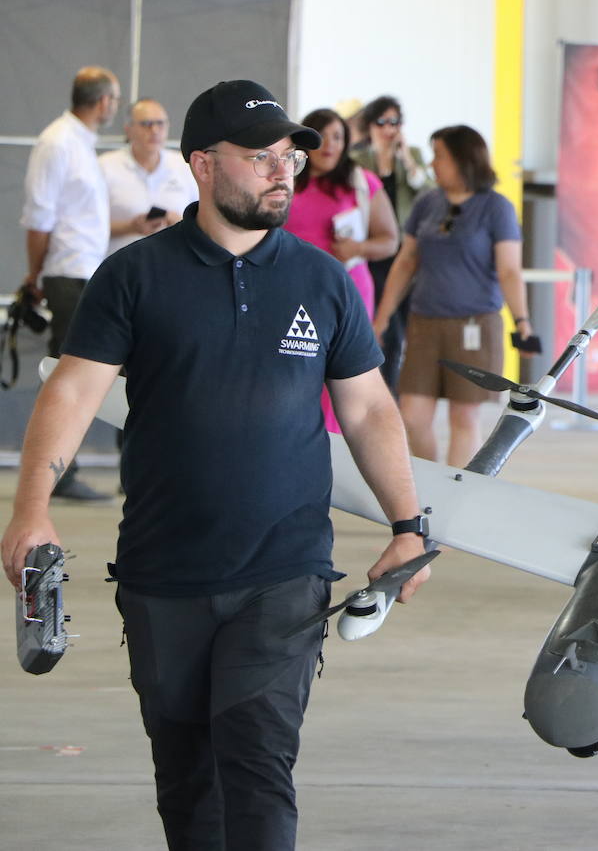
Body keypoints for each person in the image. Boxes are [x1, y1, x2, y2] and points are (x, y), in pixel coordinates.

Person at [1, 79, 430, 851]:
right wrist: (30, 508)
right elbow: (69, 393)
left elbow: (367, 409)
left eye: (289, 158)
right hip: (163, 571)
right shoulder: (134, 277)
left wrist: (408, 523)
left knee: (258, 764)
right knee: (188, 780)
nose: (283, 172)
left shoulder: (322, 280)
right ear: (202, 165)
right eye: (260, 157)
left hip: (284, 570)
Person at [372, 125, 534, 467]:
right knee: (413, 416)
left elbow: (509, 271)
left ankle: (457, 492)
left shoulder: (496, 208)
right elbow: (405, 262)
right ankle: (430, 491)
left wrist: (522, 321)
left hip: (474, 324)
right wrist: (382, 318)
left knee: (464, 417)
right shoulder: (427, 203)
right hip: (424, 323)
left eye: (439, 156)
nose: (432, 164)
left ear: (463, 159)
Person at [19, 65, 122, 501]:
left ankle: (62, 470)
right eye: (114, 100)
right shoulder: (58, 142)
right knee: (66, 375)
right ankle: (58, 472)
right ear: (103, 102)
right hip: (66, 273)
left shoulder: (81, 143)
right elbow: (39, 217)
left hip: (84, 271)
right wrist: (35, 273)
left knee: (75, 371)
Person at [284, 107, 399, 432]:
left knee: (345, 376)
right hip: (292, 290)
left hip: (348, 289)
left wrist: (358, 249)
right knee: (295, 369)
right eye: (322, 138)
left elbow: (390, 241)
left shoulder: (362, 183)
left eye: (338, 137)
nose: (331, 145)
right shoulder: (286, 179)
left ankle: (340, 454)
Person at [351, 95, 433, 393]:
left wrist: (406, 160)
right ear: (370, 125)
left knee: (404, 326)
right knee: (382, 328)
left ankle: (397, 392)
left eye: (395, 122)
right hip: (373, 252)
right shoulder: (359, 160)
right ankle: (380, 391)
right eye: (382, 122)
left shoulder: (412, 155)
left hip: (405, 252)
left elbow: (426, 192)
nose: (389, 129)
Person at [100, 98, 198, 255]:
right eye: (146, 124)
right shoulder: (105, 166)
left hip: (173, 264)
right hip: (120, 263)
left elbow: (202, 222)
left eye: (160, 123)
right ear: (128, 129)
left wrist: (180, 222)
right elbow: (87, 224)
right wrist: (130, 227)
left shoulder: (185, 166)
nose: (154, 130)